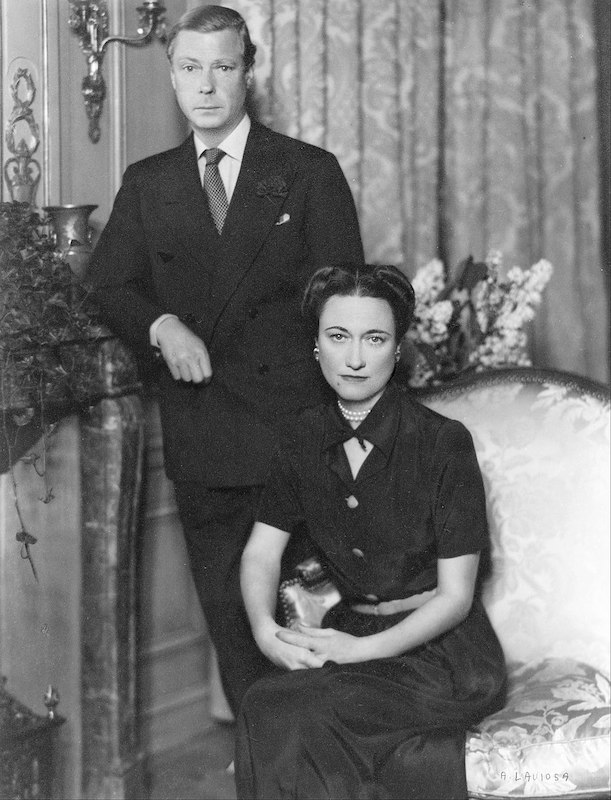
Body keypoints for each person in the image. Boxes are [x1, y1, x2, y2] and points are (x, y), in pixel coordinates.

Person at [85, 5, 363, 715]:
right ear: (172, 73)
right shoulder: (149, 182)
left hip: (294, 445)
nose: (205, 85)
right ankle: (262, 774)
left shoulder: (305, 172)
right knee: (237, 641)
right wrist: (163, 325)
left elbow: (346, 310)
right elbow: (110, 283)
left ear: (248, 71)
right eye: (189, 66)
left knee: (315, 634)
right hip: (204, 440)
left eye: (222, 66)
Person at [237, 263, 507, 799]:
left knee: (301, 713)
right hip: (351, 631)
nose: (355, 359)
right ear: (316, 346)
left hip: (440, 653)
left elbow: (455, 597)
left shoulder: (443, 444)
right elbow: (261, 552)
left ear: (398, 348)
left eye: (374, 338)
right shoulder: (301, 438)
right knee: (266, 703)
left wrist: (357, 653)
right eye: (337, 337)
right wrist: (265, 631)